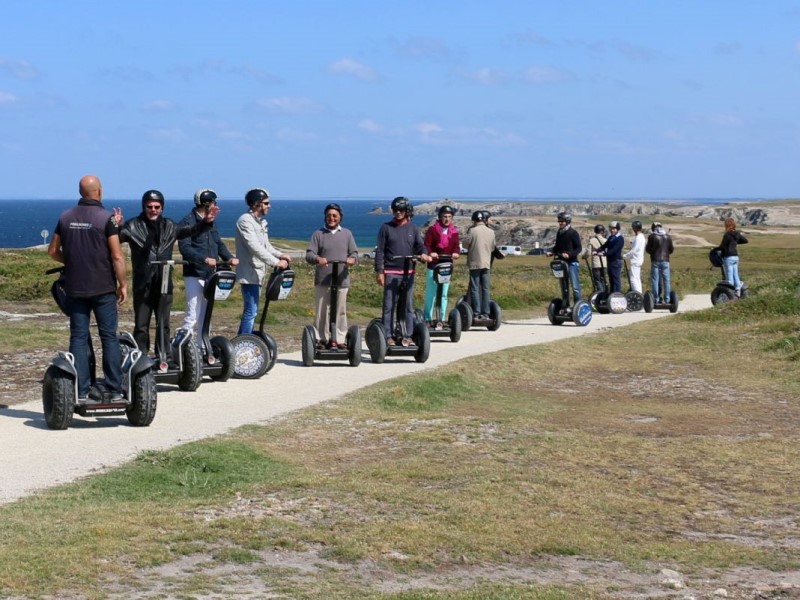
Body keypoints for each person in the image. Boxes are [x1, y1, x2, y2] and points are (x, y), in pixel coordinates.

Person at [47, 175, 127, 401]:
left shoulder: (65, 217)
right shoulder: (107, 218)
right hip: (102, 288)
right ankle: (113, 388)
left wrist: (72, 262)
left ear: (80, 192)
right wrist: (123, 284)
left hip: (75, 288)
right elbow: (117, 256)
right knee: (109, 337)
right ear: (99, 191)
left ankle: (81, 391)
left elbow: (53, 251)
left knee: (79, 337)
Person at [119, 190, 219, 355]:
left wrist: (206, 222)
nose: (153, 210)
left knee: (163, 322)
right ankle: (141, 357)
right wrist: (117, 226)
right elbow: (114, 238)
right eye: (149, 206)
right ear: (144, 207)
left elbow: (190, 231)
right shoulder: (132, 226)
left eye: (157, 207)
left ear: (162, 208)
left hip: (164, 280)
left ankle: (163, 356)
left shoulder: (170, 226)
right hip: (143, 283)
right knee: (141, 324)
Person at [178, 188, 238, 336]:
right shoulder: (187, 222)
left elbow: (218, 243)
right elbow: (185, 248)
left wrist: (229, 258)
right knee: (192, 315)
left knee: (206, 315)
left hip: (210, 275)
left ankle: (203, 348)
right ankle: (183, 347)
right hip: (194, 274)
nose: (216, 205)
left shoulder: (211, 222)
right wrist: (204, 259)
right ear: (206, 204)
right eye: (213, 203)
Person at [374, 196, 430, 346]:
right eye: (395, 209)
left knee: (408, 306)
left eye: (401, 210)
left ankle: (408, 335)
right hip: (391, 273)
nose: (398, 212)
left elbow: (420, 246)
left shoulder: (413, 228)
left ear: (406, 211)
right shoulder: (386, 228)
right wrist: (380, 271)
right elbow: (380, 251)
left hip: (408, 273)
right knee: (389, 306)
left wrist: (424, 254)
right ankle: (388, 336)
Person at [235, 188, 291, 335]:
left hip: (258, 272)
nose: (269, 206)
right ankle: (244, 342)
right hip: (249, 272)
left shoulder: (259, 223)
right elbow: (254, 247)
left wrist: (280, 255)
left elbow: (266, 246)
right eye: (266, 203)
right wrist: (275, 262)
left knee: (252, 310)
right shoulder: (245, 221)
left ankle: (243, 340)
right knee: (251, 311)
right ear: (256, 204)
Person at [305, 203, 359, 349]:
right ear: (325, 217)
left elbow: (354, 253)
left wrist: (352, 259)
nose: (331, 218)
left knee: (340, 310)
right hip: (323, 278)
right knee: (322, 310)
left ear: (340, 217)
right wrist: (318, 259)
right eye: (329, 216)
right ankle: (322, 338)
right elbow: (309, 254)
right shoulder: (318, 234)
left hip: (341, 279)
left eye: (334, 216)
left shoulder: (347, 234)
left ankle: (340, 339)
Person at [423, 204, 460, 326]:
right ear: (440, 217)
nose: (447, 219)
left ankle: (441, 318)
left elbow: (456, 246)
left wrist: (455, 253)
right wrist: (430, 252)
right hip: (433, 265)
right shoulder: (432, 230)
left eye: (449, 217)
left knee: (443, 293)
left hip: (446, 265)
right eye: (445, 216)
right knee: (431, 293)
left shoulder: (454, 232)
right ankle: (427, 318)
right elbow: (426, 245)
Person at [464, 210, 496, 318]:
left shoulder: (472, 231)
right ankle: (486, 312)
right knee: (486, 289)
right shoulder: (491, 232)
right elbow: (492, 247)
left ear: (474, 220)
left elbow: (464, 245)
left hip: (474, 263)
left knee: (475, 288)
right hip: (486, 263)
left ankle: (476, 311)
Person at [546, 212, 582, 302]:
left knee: (575, 287)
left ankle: (578, 305)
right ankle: (565, 305)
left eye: (562, 221)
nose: (560, 223)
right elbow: (557, 247)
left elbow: (579, 248)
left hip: (572, 263)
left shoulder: (573, 233)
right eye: (559, 221)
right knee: (564, 287)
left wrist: (569, 254)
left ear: (567, 221)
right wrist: (551, 252)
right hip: (562, 263)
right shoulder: (559, 232)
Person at [715, 217, 748, 294]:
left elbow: (722, 246)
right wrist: (735, 242)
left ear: (726, 225)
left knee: (729, 274)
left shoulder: (727, 235)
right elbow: (745, 241)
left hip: (728, 256)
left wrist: (715, 249)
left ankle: (730, 292)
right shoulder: (737, 233)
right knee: (735, 274)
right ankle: (738, 291)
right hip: (735, 257)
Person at [645, 222, 674, 301]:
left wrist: (653, 252)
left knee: (655, 279)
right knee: (666, 280)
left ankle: (656, 298)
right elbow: (671, 250)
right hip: (666, 260)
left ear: (653, 228)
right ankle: (667, 299)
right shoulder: (667, 236)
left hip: (655, 260)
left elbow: (647, 249)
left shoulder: (652, 236)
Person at [596, 221, 625, 293]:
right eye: (611, 229)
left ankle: (617, 295)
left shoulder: (620, 239)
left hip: (616, 261)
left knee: (616, 280)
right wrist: (597, 251)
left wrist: (604, 254)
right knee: (611, 280)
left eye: (614, 229)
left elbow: (614, 250)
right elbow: (604, 246)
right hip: (610, 261)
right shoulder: (611, 237)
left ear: (617, 229)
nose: (612, 230)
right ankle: (611, 296)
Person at [623, 220, 646, 293]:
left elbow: (634, 251)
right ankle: (639, 293)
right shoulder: (641, 236)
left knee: (633, 279)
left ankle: (636, 294)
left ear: (635, 228)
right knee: (637, 278)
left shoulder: (638, 238)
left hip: (635, 260)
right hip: (639, 260)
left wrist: (625, 256)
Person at [587, 224, 608, 293]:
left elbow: (588, 252)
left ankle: (600, 294)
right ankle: (605, 293)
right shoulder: (606, 240)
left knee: (597, 280)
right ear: (602, 231)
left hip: (596, 264)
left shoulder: (592, 240)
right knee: (603, 279)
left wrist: (584, 257)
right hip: (604, 263)